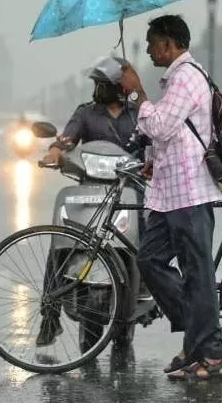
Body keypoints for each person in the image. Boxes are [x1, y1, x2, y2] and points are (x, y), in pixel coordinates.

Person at [119, 14, 222, 381]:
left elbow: (161, 126)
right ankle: (197, 337)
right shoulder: (176, 80)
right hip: (169, 194)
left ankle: (211, 356)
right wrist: (152, 161)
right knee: (149, 260)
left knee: (199, 275)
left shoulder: (186, 77)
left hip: (190, 192)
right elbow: (174, 134)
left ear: (169, 43)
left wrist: (136, 94)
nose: (148, 48)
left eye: (152, 42)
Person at [35, 54, 144, 347]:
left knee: (147, 243)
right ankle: (50, 313)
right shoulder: (85, 114)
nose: (97, 91)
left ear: (119, 86)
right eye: (96, 85)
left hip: (130, 192)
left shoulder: (138, 115)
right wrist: (56, 151)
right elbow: (67, 138)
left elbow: (153, 144)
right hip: (90, 191)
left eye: (103, 85)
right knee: (60, 242)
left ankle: (146, 291)